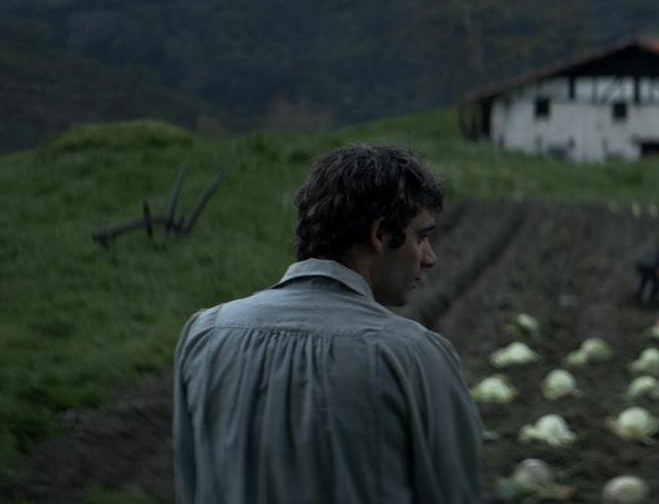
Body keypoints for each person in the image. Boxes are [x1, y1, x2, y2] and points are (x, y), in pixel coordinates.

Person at [173, 144, 483, 504]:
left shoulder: (206, 335)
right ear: (380, 235)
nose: (430, 258)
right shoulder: (414, 357)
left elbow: (190, 485)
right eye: (422, 236)